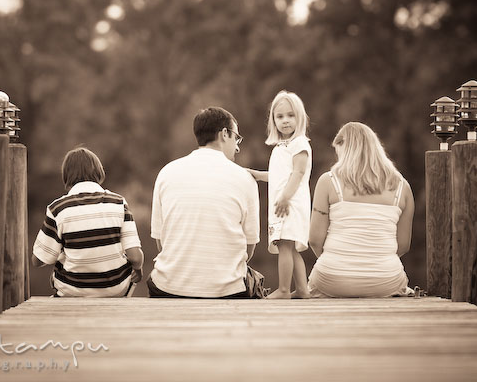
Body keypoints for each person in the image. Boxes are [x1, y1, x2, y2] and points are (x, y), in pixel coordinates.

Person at [148, 107, 261, 298]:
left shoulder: (167, 172)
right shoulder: (244, 178)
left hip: (167, 288)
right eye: (236, 138)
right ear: (224, 134)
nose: (238, 146)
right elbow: (248, 248)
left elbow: (161, 242)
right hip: (227, 291)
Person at [307, 122, 415, 298]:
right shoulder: (402, 187)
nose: (338, 159)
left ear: (344, 147)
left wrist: (340, 266)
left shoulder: (328, 181)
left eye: (338, 152)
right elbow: (403, 245)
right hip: (386, 280)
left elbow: (314, 240)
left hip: (332, 278)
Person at [31, 147, 144, 297]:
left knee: (57, 272)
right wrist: (138, 268)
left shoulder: (57, 209)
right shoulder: (118, 203)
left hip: (73, 291)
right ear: (98, 172)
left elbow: (38, 260)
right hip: (116, 289)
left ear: (66, 175)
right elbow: (135, 257)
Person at [247, 91, 311, 299]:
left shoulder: (299, 144)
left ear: (299, 118)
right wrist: (257, 175)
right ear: (273, 121)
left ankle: (283, 290)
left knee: (285, 245)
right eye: (280, 116)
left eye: (290, 116)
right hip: (283, 202)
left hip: (289, 203)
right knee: (290, 248)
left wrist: (285, 197)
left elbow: (298, 173)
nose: (285, 121)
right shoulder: (280, 146)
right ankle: (302, 290)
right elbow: (278, 175)